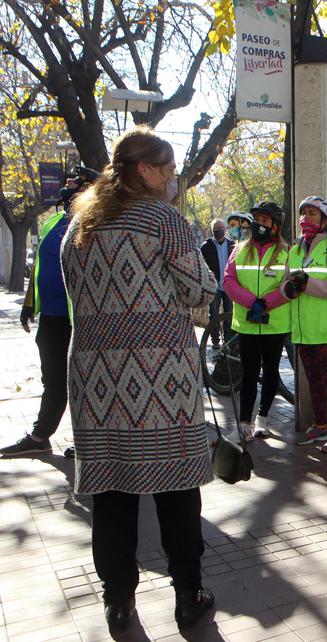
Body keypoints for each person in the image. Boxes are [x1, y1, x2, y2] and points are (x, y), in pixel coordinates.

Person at [61, 127, 216, 632]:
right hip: (160, 380)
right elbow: (199, 288)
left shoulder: (78, 225)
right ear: (146, 170)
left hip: (95, 379)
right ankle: (188, 596)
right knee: (176, 492)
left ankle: (118, 601)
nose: (172, 179)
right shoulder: (163, 220)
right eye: (168, 170)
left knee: (112, 495)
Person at [1, 165, 98, 458]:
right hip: (53, 316)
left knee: (84, 382)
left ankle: (89, 441)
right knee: (52, 379)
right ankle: (41, 434)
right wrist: (30, 303)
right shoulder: (53, 222)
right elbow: (42, 266)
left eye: (77, 182)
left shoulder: (94, 224)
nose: (68, 184)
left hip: (80, 318)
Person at [281, 196, 327, 451]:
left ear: (325, 218)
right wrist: (288, 289)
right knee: (312, 379)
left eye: (312, 213)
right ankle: (320, 426)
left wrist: (307, 285)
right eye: (303, 213)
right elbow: (285, 282)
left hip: (325, 328)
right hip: (302, 330)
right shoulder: (295, 249)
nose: (305, 219)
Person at [223, 201, 291, 441]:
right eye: (257, 220)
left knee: (271, 372)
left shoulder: (286, 252)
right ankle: (244, 425)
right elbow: (229, 281)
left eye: (265, 221)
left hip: (275, 324)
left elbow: (290, 286)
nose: (259, 225)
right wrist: (252, 302)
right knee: (249, 373)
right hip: (247, 322)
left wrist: (267, 303)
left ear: (275, 226)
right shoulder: (239, 249)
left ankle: (262, 419)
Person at [200, 218, 234, 349]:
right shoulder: (206, 247)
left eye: (221, 228)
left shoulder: (233, 246)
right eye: (216, 229)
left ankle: (228, 341)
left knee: (229, 315)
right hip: (214, 286)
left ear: (225, 230)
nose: (218, 231)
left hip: (229, 286)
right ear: (212, 230)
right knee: (213, 314)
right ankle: (215, 341)